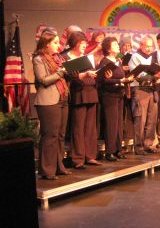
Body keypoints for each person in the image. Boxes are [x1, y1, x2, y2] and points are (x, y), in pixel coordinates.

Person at [33, 28, 72, 180]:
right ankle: (47, 170)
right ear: (47, 44)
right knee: (50, 135)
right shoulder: (38, 59)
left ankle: (58, 166)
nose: (58, 46)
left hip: (62, 98)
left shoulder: (58, 59)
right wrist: (61, 72)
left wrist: (69, 71)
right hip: (48, 101)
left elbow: (62, 77)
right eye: (55, 43)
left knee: (60, 135)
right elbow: (43, 80)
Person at [61, 31, 101, 169]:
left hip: (91, 92)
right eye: (82, 44)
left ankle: (90, 156)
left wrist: (96, 74)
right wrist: (85, 74)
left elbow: (92, 73)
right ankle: (78, 158)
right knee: (78, 127)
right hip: (78, 93)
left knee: (90, 127)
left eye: (85, 44)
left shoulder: (86, 58)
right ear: (75, 44)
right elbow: (70, 77)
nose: (84, 46)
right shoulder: (66, 57)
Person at [97, 37, 134, 161]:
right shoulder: (105, 62)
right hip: (109, 95)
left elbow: (121, 75)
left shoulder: (118, 60)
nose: (118, 46)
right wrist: (120, 80)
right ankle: (109, 151)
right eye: (115, 44)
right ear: (108, 48)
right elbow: (103, 80)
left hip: (119, 94)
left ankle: (118, 149)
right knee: (111, 124)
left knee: (118, 124)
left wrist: (128, 78)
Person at [128, 36, 160, 154]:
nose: (149, 48)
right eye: (146, 46)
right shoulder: (135, 57)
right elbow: (137, 75)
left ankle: (148, 144)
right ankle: (139, 146)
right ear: (141, 46)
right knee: (140, 119)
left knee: (152, 118)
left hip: (152, 89)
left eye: (151, 46)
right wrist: (154, 76)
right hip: (140, 89)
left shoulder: (152, 58)